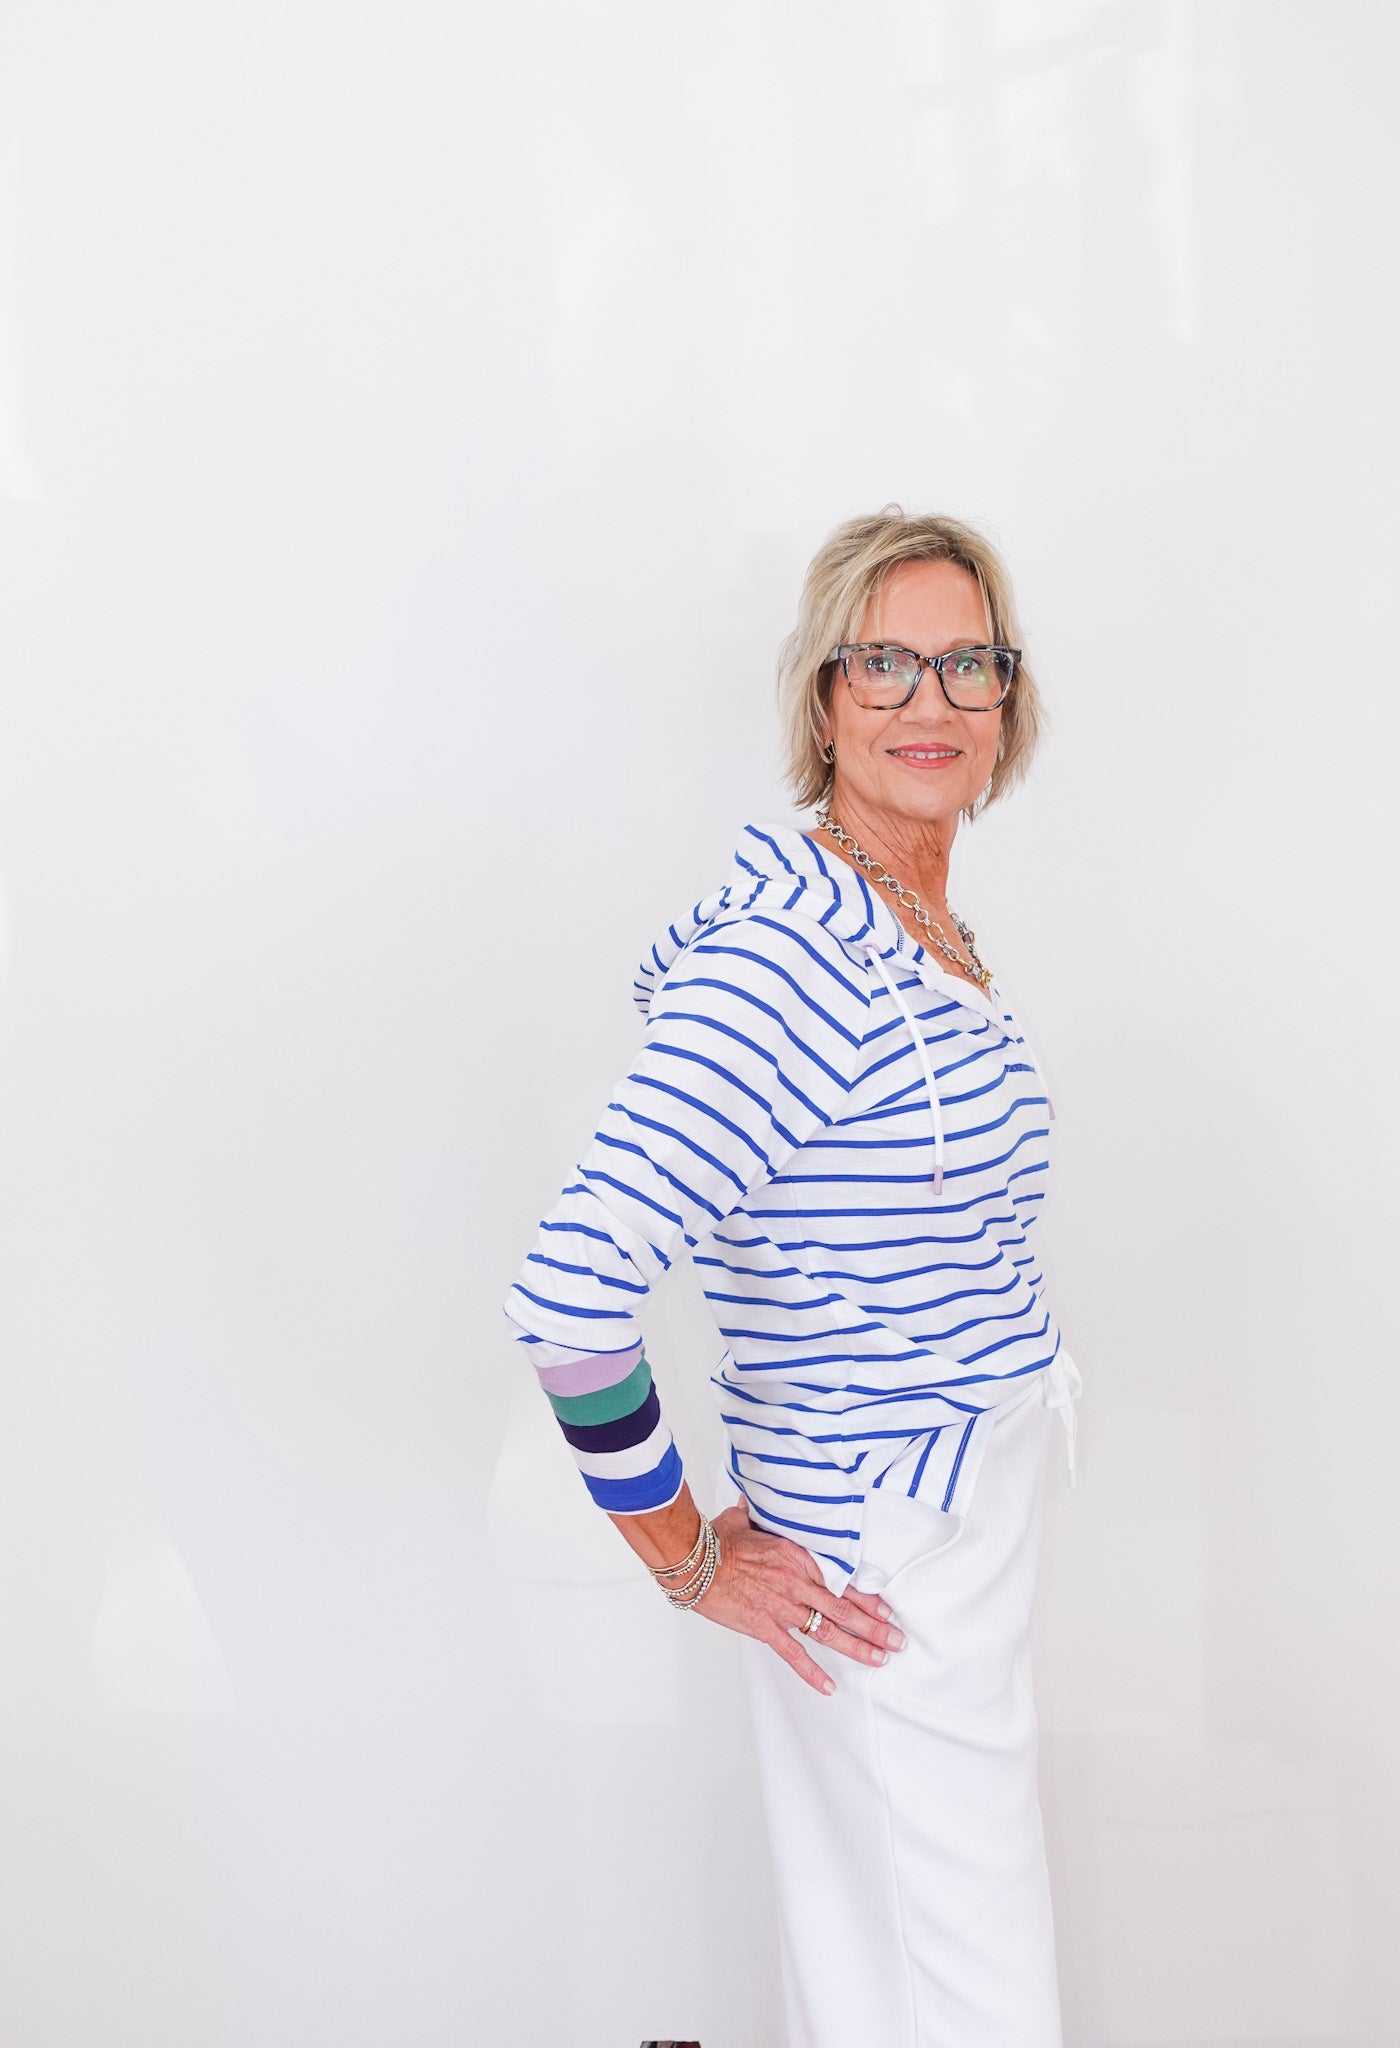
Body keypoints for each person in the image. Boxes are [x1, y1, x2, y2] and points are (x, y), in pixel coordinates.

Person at [502, 506, 1083, 2048]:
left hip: (944, 1531)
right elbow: (570, 1298)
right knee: (968, 2013)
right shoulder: (788, 961)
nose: (930, 700)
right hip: (888, 1565)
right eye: (883, 663)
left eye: (968, 664)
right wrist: (686, 1559)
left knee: (887, 1991)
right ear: (822, 698)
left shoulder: (912, 922)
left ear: (1008, 698)